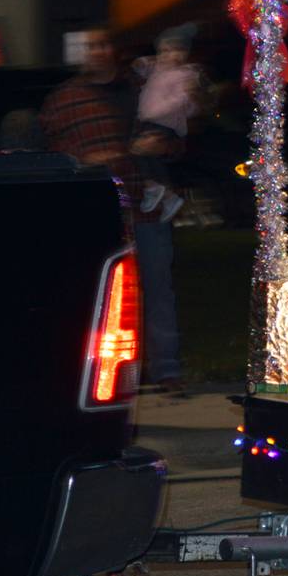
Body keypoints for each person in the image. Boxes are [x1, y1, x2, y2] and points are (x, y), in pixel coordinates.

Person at [40, 26, 185, 394]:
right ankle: (100, 375)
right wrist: (93, 160)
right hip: (98, 212)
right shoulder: (64, 101)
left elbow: (177, 139)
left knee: (157, 289)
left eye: (104, 44)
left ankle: (166, 370)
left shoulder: (141, 89)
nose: (97, 52)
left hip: (147, 208)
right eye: (89, 46)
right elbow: (56, 156)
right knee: (100, 296)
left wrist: (162, 146)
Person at [133, 23, 202, 222]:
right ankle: (166, 194)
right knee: (145, 156)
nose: (169, 55)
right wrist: (142, 63)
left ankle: (157, 188)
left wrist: (158, 110)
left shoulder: (186, 75)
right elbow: (143, 67)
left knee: (142, 151)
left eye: (175, 50)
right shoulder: (158, 70)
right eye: (164, 50)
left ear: (184, 53)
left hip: (166, 123)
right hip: (151, 120)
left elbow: (184, 103)